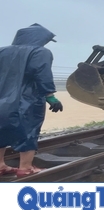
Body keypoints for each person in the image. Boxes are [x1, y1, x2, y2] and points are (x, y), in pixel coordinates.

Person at [0, 23, 63, 178]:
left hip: (1, 98)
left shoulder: (3, 51)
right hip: (27, 99)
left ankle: (0, 165)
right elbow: (42, 73)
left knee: (1, 129)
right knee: (28, 130)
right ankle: (26, 168)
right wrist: (50, 96)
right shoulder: (40, 52)